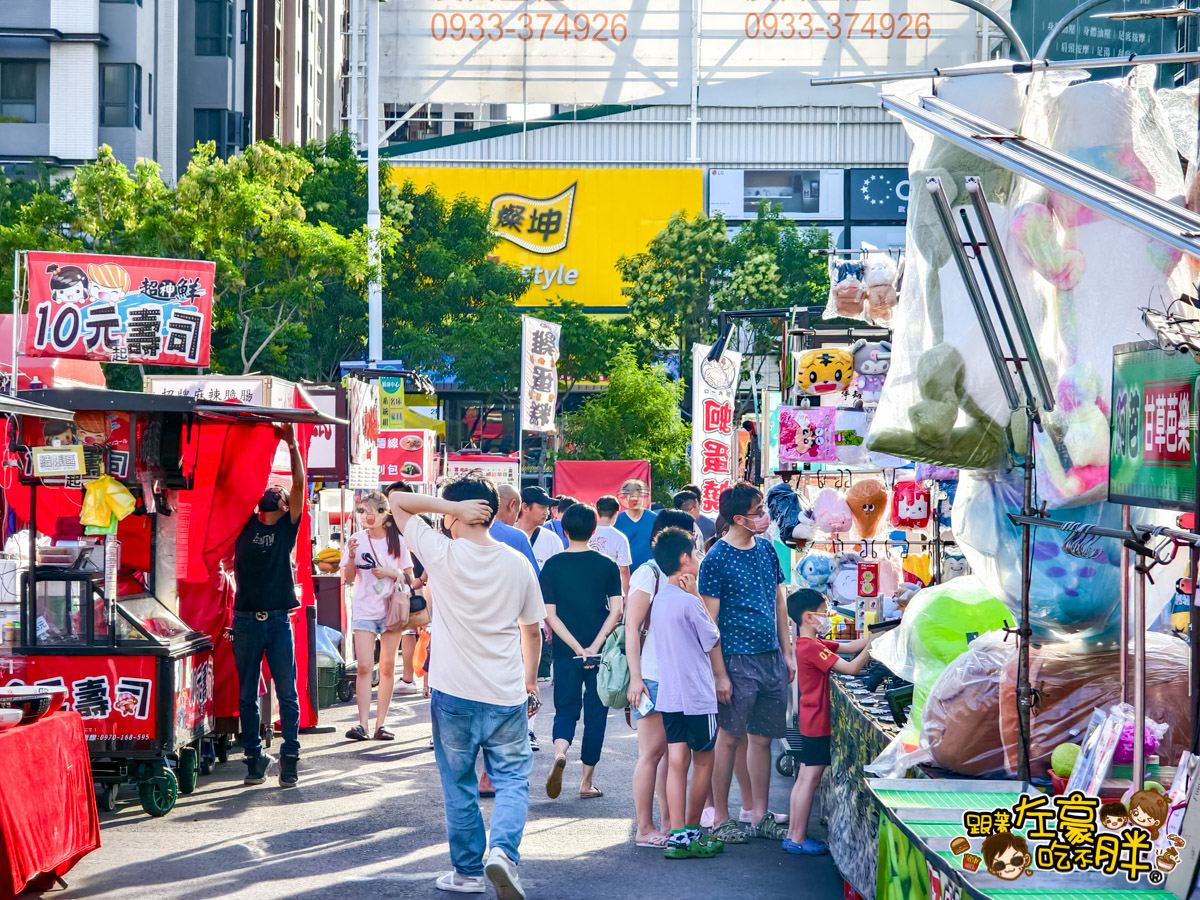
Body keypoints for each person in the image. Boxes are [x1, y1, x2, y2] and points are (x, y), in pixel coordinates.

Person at [388, 478, 545, 900]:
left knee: (459, 782)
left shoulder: (442, 553)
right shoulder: (517, 563)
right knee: (512, 780)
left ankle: (469, 871)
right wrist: (530, 681)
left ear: (457, 515)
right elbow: (532, 633)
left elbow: (397, 501)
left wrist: (448, 506)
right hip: (506, 691)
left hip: (453, 691)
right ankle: (504, 854)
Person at [699, 482, 794, 845]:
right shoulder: (717, 558)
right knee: (729, 738)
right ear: (738, 518)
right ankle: (721, 816)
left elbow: (779, 602)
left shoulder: (768, 550)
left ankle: (759, 813)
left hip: (769, 657)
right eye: (758, 512)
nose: (764, 518)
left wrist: (786, 651)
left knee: (762, 739)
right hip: (736, 660)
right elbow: (710, 622)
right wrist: (719, 672)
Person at [232, 423, 305, 789]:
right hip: (245, 620)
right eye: (270, 491)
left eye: (278, 492)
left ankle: (290, 757)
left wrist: (291, 446)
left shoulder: (286, 529)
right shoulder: (243, 523)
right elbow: (239, 485)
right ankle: (253, 759)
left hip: (277, 620)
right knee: (247, 693)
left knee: (287, 690)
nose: (273, 492)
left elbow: (299, 485)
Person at [540, 503, 623, 801]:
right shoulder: (606, 565)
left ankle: (560, 752)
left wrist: (575, 647)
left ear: (564, 531)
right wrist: (594, 646)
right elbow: (616, 611)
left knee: (566, 708)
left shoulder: (552, 565)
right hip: (599, 653)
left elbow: (551, 615)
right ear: (593, 530)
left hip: (566, 652)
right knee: (596, 714)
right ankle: (586, 782)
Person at [651, 527, 725, 860]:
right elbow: (713, 636)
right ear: (684, 558)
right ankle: (693, 832)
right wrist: (696, 596)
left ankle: (678, 834)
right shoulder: (688, 602)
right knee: (704, 763)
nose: (697, 559)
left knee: (677, 762)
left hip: (670, 696)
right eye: (694, 554)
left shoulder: (659, 600)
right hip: (697, 694)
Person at [783, 589, 873, 855]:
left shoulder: (810, 643)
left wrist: (875, 636)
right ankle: (797, 837)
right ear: (809, 617)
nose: (828, 616)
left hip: (810, 719)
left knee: (804, 777)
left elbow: (849, 647)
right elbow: (852, 666)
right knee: (809, 778)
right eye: (824, 611)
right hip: (816, 721)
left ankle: (793, 834)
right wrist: (873, 647)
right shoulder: (811, 648)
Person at [625, 509, 695, 848]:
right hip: (652, 676)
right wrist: (636, 678)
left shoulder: (684, 579)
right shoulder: (647, 574)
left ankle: (668, 823)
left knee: (671, 753)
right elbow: (631, 628)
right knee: (652, 753)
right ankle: (643, 827)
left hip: (676, 677)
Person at [340, 490, 415, 742]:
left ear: (385, 514)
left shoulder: (398, 541)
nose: (367, 516)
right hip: (364, 609)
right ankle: (362, 723)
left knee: (386, 667)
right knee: (363, 666)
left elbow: (411, 580)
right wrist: (350, 556)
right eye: (363, 512)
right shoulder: (356, 540)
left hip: (391, 610)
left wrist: (391, 572)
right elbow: (348, 579)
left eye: (372, 512)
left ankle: (381, 724)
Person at [588, 495, 632, 596]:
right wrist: (625, 594)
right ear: (616, 513)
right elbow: (624, 569)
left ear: (597, 510)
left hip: (587, 583)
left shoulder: (587, 531)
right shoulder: (620, 538)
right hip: (610, 588)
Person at [492, 484, 539, 572]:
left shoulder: (472, 532)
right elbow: (534, 577)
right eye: (517, 513)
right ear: (512, 504)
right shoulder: (518, 537)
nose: (516, 520)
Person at [615, 478, 659, 570]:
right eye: (632, 497)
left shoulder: (655, 519)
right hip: (624, 574)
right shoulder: (617, 521)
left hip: (650, 574)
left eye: (638, 496)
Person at [517, 486, 562, 570]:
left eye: (547, 508)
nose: (547, 512)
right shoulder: (506, 535)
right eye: (542, 507)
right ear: (525, 507)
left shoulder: (553, 540)